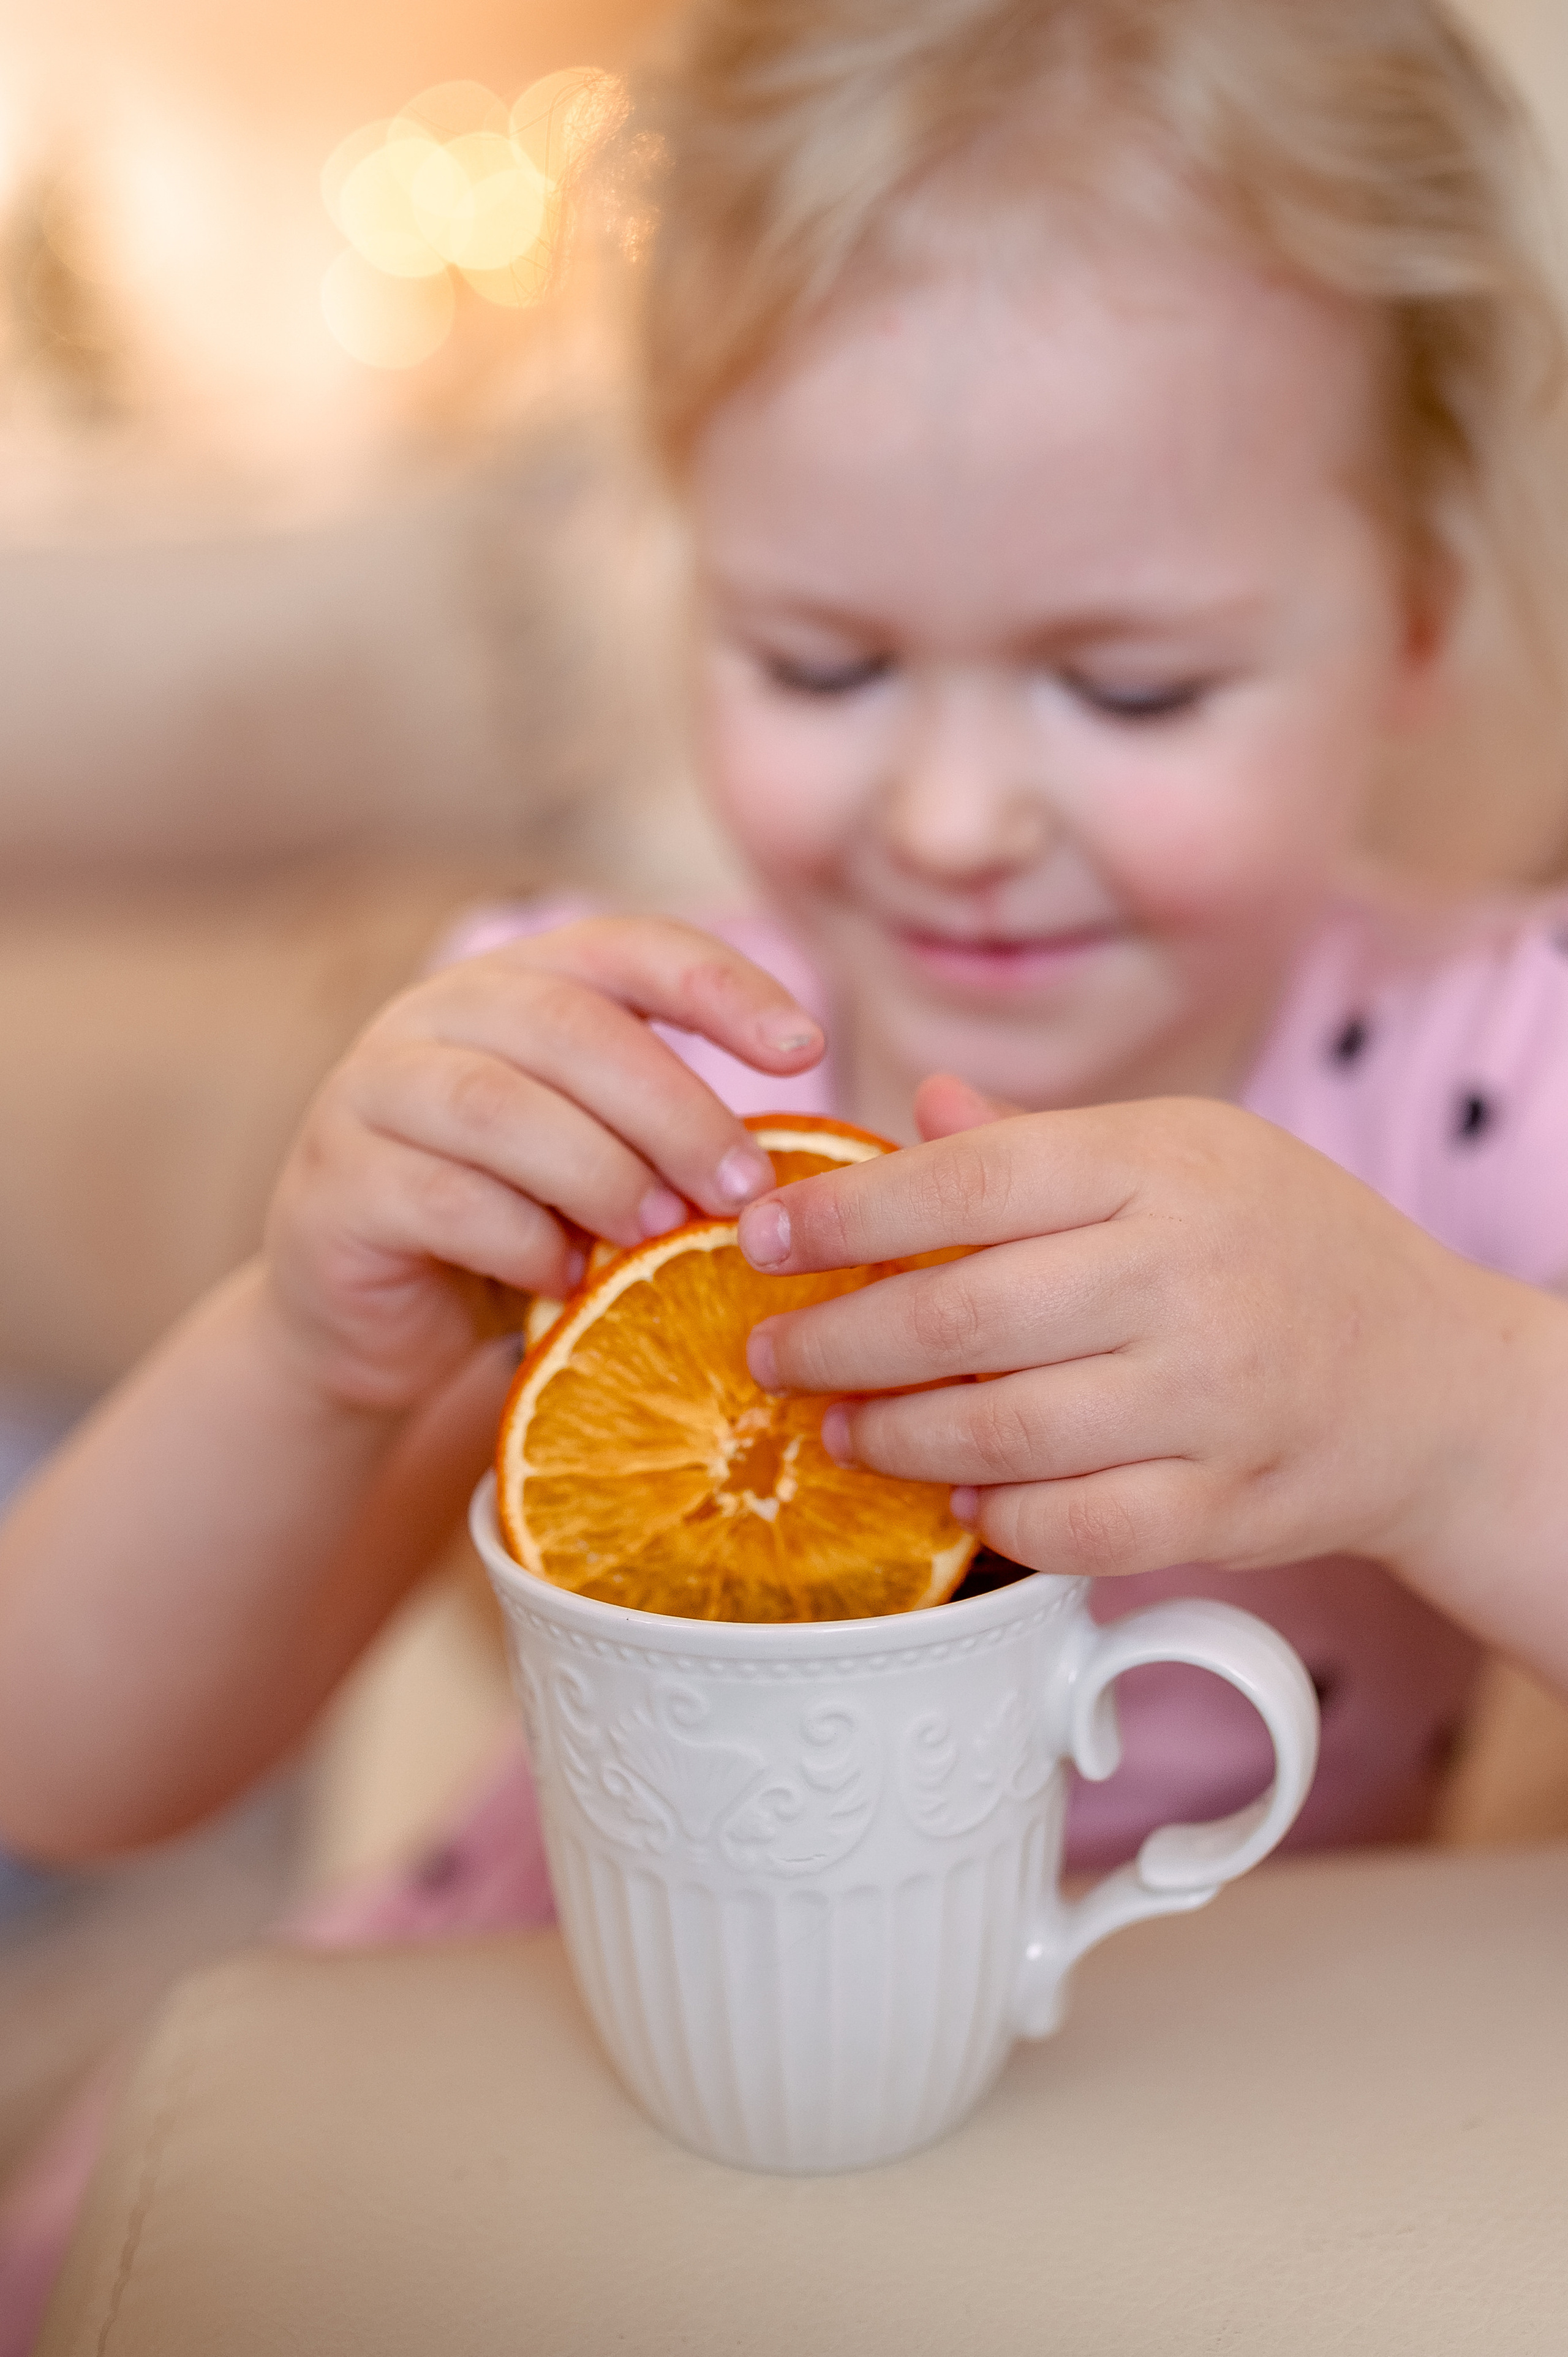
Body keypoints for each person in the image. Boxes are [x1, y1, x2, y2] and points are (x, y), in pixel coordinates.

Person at [6, 0, 1568, 2326]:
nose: (948, 819)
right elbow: (65, 1769)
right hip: (532, 2108)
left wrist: (1440, 1393)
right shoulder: (623, 1080)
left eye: (1128, 689)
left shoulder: (1496, 1057)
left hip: (1208, 2172)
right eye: (821, 664)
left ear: (1419, 621)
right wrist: (304, 1353)